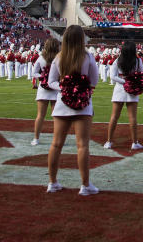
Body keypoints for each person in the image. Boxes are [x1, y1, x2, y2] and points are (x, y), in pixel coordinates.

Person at [46, 25, 100, 195]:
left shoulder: (58, 58)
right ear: (81, 39)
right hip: (83, 104)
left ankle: (52, 182)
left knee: (56, 144)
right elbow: (94, 81)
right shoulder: (88, 57)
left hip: (62, 104)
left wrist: (65, 89)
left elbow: (51, 82)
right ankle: (85, 185)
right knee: (82, 145)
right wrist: (78, 90)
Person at [105, 40, 143, 151]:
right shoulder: (137, 61)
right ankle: (134, 143)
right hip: (132, 90)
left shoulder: (118, 60)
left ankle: (109, 142)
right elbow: (141, 73)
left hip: (119, 90)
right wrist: (130, 82)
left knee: (114, 116)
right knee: (132, 118)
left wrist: (123, 81)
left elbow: (113, 76)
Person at [31, 37, 61, 145]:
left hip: (45, 89)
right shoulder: (59, 58)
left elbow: (34, 73)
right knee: (56, 116)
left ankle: (36, 138)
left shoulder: (40, 58)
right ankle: (57, 140)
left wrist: (42, 77)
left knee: (40, 115)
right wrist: (47, 78)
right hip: (55, 88)